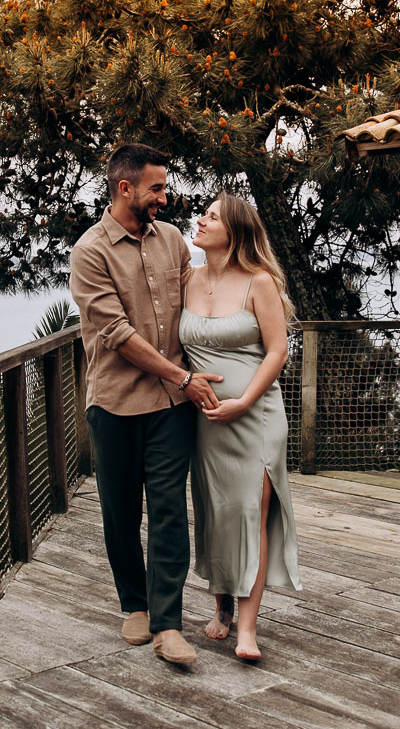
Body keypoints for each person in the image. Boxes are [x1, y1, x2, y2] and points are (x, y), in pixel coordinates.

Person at [69, 144, 224, 666]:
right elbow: (116, 333)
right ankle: (134, 603)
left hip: (171, 405)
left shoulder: (173, 240)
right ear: (125, 188)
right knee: (120, 512)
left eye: (164, 187)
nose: (164, 196)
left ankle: (168, 624)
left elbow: (198, 304)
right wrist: (183, 376)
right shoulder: (89, 251)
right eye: (156, 188)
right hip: (114, 404)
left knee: (168, 511)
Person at [182, 192, 301, 661]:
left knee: (251, 513)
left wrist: (244, 401)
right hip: (205, 422)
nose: (201, 220)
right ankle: (222, 607)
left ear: (234, 231)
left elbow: (278, 350)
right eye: (204, 214)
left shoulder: (259, 281)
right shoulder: (188, 280)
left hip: (256, 416)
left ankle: (248, 629)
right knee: (216, 511)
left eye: (211, 217)